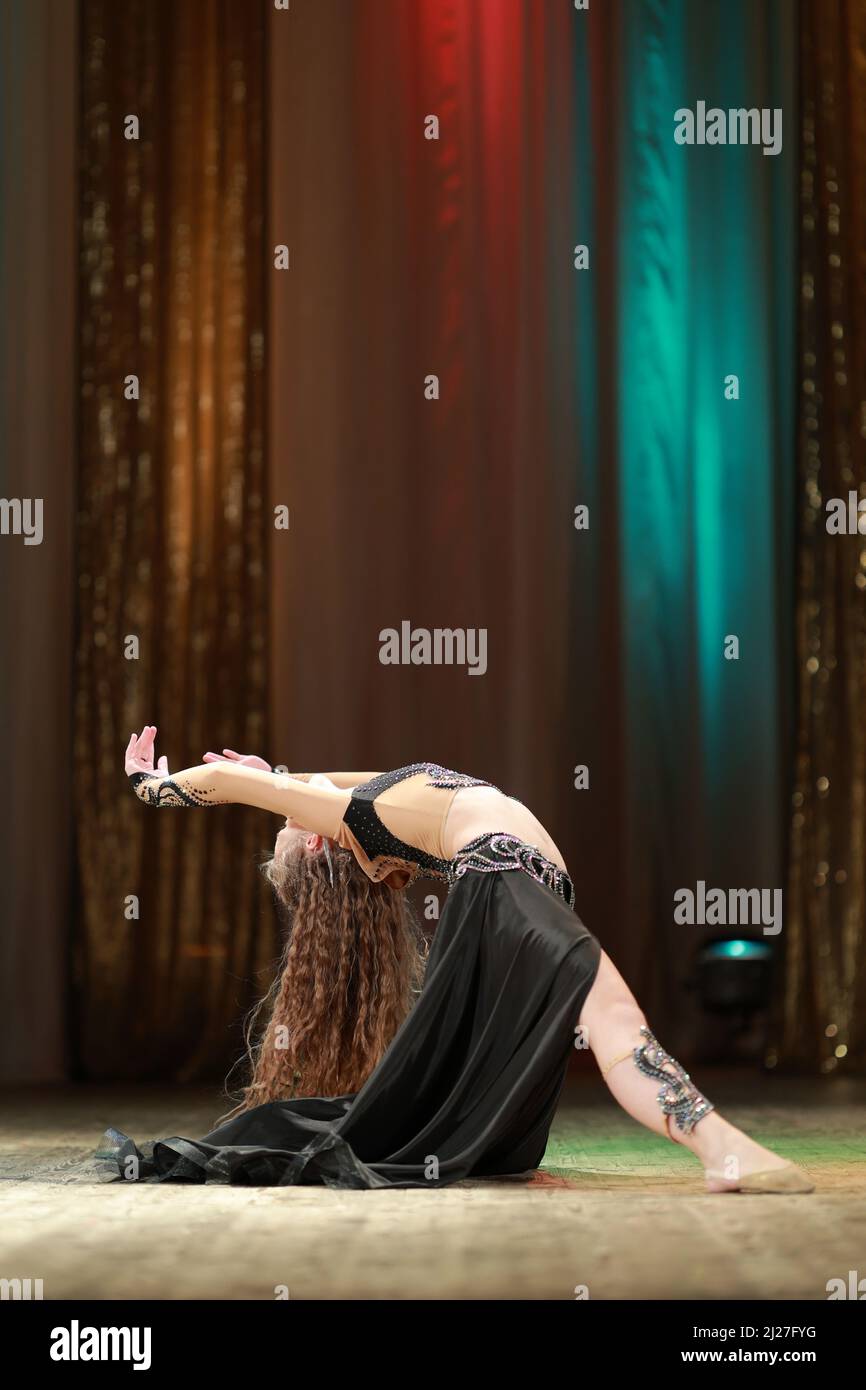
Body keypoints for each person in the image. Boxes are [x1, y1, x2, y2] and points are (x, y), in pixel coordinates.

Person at [100, 725, 813, 1193]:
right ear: (318, 838)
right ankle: (721, 1150)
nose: (287, 817)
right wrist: (150, 786)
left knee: (608, 1019)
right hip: (503, 883)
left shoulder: (376, 798)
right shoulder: (362, 818)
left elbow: (299, 782)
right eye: (289, 826)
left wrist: (272, 778)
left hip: (512, 888)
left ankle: (717, 1146)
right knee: (614, 1019)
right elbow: (250, 791)